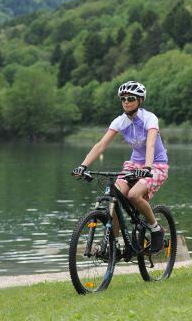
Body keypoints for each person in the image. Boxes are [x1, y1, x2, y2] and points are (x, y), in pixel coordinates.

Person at [72, 80, 169, 253]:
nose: (126, 101)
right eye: (123, 99)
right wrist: (83, 165)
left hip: (155, 164)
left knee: (133, 195)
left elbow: (151, 145)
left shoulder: (149, 118)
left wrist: (147, 167)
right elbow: (101, 145)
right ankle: (114, 243)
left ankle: (156, 229)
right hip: (133, 164)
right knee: (113, 196)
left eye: (131, 98)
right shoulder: (120, 121)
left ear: (140, 100)